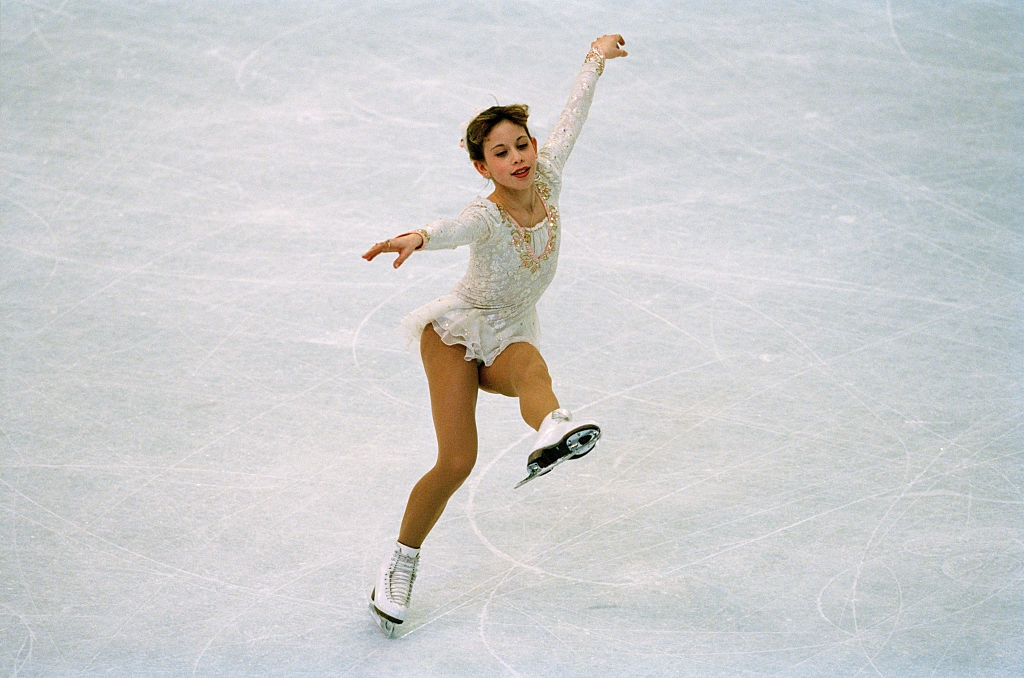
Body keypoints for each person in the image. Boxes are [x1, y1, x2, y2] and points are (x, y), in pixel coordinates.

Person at [361, 34, 628, 636]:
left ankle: (552, 430)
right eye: (501, 153)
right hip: (456, 334)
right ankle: (399, 564)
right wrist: (415, 238)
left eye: (522, 145)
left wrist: (594, 59)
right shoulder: (486, 214)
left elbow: (574, 115)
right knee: (457, 459)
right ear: (483, 167)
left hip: (508, 334)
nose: (518, 158)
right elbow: (450, 228)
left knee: (531, 363)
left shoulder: (550, 176)